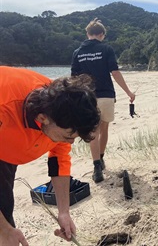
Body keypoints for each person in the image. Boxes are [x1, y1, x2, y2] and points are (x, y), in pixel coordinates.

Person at [0, 66, 100, 246]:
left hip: (8, 146)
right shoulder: (4, 108)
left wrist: (64, 212)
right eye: (68, 137)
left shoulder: (62, 106)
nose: (70, 143)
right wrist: (4, 230)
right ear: (42, 118)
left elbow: (59, 160)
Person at [71, 18, 136, 183]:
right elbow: (114, 72)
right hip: (106, 95)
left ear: (87, 34)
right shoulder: (106, 49)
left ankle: (96, 167)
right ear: (102, 35)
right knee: (104, 127)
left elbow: (73, 78)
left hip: (87, 96)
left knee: (93, 132)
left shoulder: (78, 52)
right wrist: (128, 91)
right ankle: (101, 158)